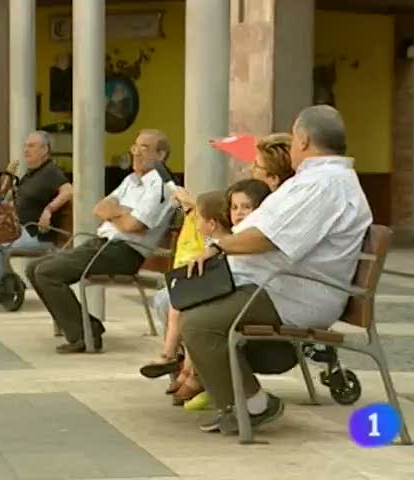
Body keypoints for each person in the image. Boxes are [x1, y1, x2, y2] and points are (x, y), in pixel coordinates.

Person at [182, 105, 372, 435]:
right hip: (281, 286)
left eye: (294, 138)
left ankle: (254, 405)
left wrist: (219, 246)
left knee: (198, 324)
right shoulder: (318, 180)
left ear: (303, 140)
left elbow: (269, 238)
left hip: (294, 294)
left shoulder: (324, 184)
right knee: (188, 301)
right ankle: (234, 396)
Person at [25, 129, 175, 353]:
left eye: (144, 148)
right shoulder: (131, 180)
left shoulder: (161, 186)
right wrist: (123, 212)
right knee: (33, 268)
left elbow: (133, 226)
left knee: (47, 272)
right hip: (102, 243)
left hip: (125, 251)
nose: (136, 153)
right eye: (135, 147)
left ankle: (84, 335)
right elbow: (99, 208)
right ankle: (89, 326)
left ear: (160, 155)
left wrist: (117, 213)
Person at [141, 180, 272, 409]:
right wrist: (186, 204)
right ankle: (180, 365)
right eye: (234, 208)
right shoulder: (227, 233)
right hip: (225, 288)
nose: (239, 212)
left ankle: (186, 369)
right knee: (178, 304)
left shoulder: (248, 237)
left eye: (246, 207)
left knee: (190, 312)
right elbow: (191, 212)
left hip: (244, 294)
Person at [0, 131, 73, 281]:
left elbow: (68, 191)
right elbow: (3, 198)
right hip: (20, 230)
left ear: (45, 149)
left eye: (32, 146)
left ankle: (6, 285)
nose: (26, 150)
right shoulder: (30, 175)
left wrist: (48, 210)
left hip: (38, 236)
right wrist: (8, 176)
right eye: (25, 146)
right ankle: (8, 283)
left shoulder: (51, 172)